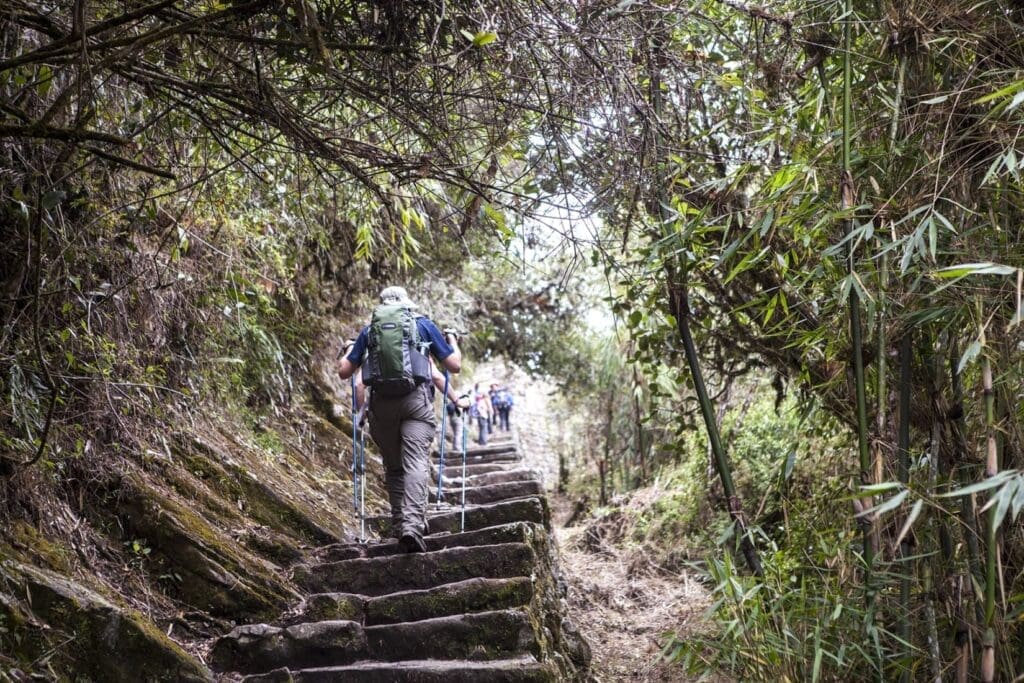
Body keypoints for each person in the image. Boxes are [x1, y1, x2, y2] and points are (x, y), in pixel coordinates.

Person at [338, 286, 461, 553]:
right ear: (407, 305)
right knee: (416, 461)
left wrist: (347, 351)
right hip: (415, 401)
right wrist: (453, 342)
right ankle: (412, 526)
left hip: (381, 405)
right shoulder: (423, 325)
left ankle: (399, 523)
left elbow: (345, 372)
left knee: (394, 468)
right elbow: (454, 366)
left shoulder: (369, 331)